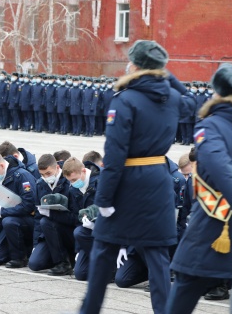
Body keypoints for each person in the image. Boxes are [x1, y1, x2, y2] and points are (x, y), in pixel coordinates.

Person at [79, 40, 195, 314]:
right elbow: (191, 101)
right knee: (156, 254)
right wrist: (166, 74)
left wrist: (104, 197)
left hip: (128, 182)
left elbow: (115, 153)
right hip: (158, 178)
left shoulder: (125, 99)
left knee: (104, 250)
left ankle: (89, 310)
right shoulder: (172, 97)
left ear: (135, 65)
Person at [168, 64, 232, 313]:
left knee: (185, 286)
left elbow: (220, 167)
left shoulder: (211, 126)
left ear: (218, 93)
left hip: (214, 225)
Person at [0, 152, 36, 268]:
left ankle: (19, 258)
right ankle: (20, 248)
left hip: (27, 220)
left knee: (9, 221)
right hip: (9, 222)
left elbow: (29, 205)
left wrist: (4, 212)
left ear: (2, 166)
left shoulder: (22, 176)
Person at [29, 154, 74, 275]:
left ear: (57, 168)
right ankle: (57, 257)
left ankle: (63, 263)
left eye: (48, 173)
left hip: (67, 230)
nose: (45, 177)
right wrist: (35, 244)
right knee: (34, 264)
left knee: (47, 221)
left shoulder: (68, 181)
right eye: (42, 174)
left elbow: (73, 217)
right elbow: (38, 217)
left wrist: (51, 214)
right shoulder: (40, 184)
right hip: (49, 233)